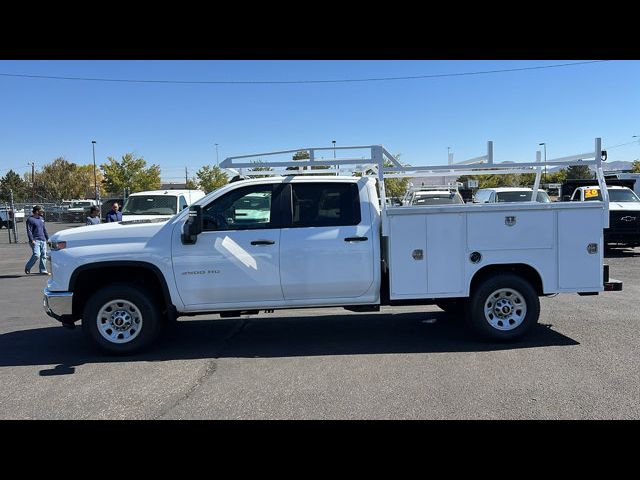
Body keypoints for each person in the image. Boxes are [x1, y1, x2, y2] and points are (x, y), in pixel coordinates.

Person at [24, 205, 50, 275]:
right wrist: (32, 240)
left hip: (43, 240)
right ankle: (28, 267)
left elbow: (44, 229)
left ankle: (43, 270)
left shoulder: (41, 219)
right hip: (35, 240)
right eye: (41, 211)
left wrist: (48, 238)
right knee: (36, 255)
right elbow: (29, 230)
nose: (42, 212)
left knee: (44, 255)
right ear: (36, 211)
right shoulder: (30, 219)